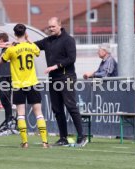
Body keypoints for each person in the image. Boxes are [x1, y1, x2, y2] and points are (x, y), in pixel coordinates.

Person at [34, 17, 87, 147]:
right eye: (49, 27)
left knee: (70, 106)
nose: (51, 29)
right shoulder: (48, 40)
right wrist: (16, 43)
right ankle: (63, 138)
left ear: (59, 25)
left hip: (66, 77)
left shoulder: (68, 40)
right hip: (53, 78)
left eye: (53, 26)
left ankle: (82, 136)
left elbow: (71, 59)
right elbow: (33, 45)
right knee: (57, 109)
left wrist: (55, 66)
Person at [0, 24, 49, 148]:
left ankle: (25, 142)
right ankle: (45, 142)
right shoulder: (31, 46)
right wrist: (28, 39)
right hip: (32, 83)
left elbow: (0, 62)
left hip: (18, 85)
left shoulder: (11, 49)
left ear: (14, 34)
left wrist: (10, 47)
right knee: (39, 113)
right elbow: (37, 51)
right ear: (25, 33)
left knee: (21, 114)